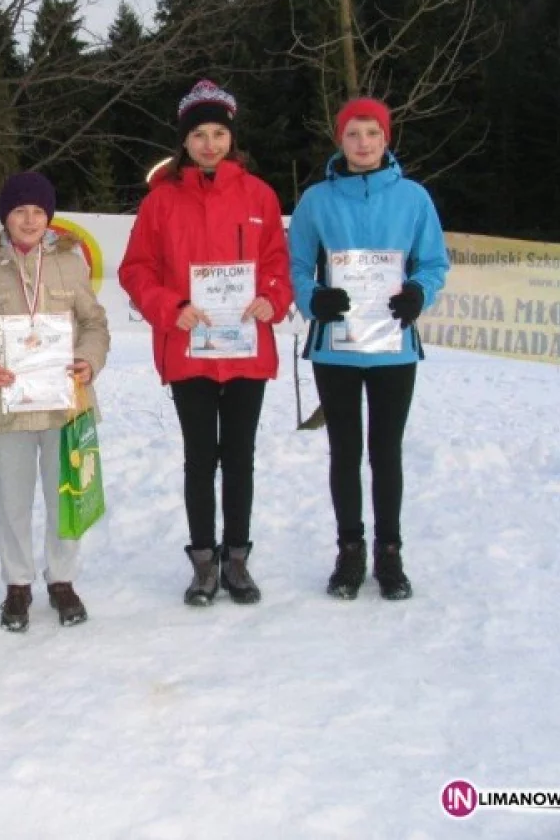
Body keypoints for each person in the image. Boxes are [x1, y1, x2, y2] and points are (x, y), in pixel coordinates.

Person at [119, 79, 292, 608]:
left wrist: (271, 297)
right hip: (189, 348)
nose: (210, 143)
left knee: (239, 456)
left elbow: (278, 265)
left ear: (232, 137)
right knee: (200, 458)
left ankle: (236, 558)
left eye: (219, 133)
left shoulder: (259, 195)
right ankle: (202, 563)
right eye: (199, 134)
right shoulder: (162, 201)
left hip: (244, 349)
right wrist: (171, 307)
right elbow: (136, 269)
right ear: (185, 141)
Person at [289, 97, 449, 601]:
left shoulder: (414, 198)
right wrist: (314, 297)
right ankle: (350, 551)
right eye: (354, 134)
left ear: (386, 139)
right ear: (341, 140)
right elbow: (295, 267)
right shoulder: (316, 200)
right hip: (336, 347)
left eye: (372, 134)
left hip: (392, 347)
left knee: (385, 451)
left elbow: (433, 262)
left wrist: (419, 292)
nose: (363, 144)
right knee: (345, 451)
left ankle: (390, 553)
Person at [0, 172, 110, 632]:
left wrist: (87, 360)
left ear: (49, 218)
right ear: (5, 218)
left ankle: (62, 579)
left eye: (38, 212)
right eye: (20, 211)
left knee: (66, 494)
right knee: (14, 500)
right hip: (11, 406)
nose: (29, 220)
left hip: (66, 403)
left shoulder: (71, 264)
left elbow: (95, 324)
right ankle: (17, 585)